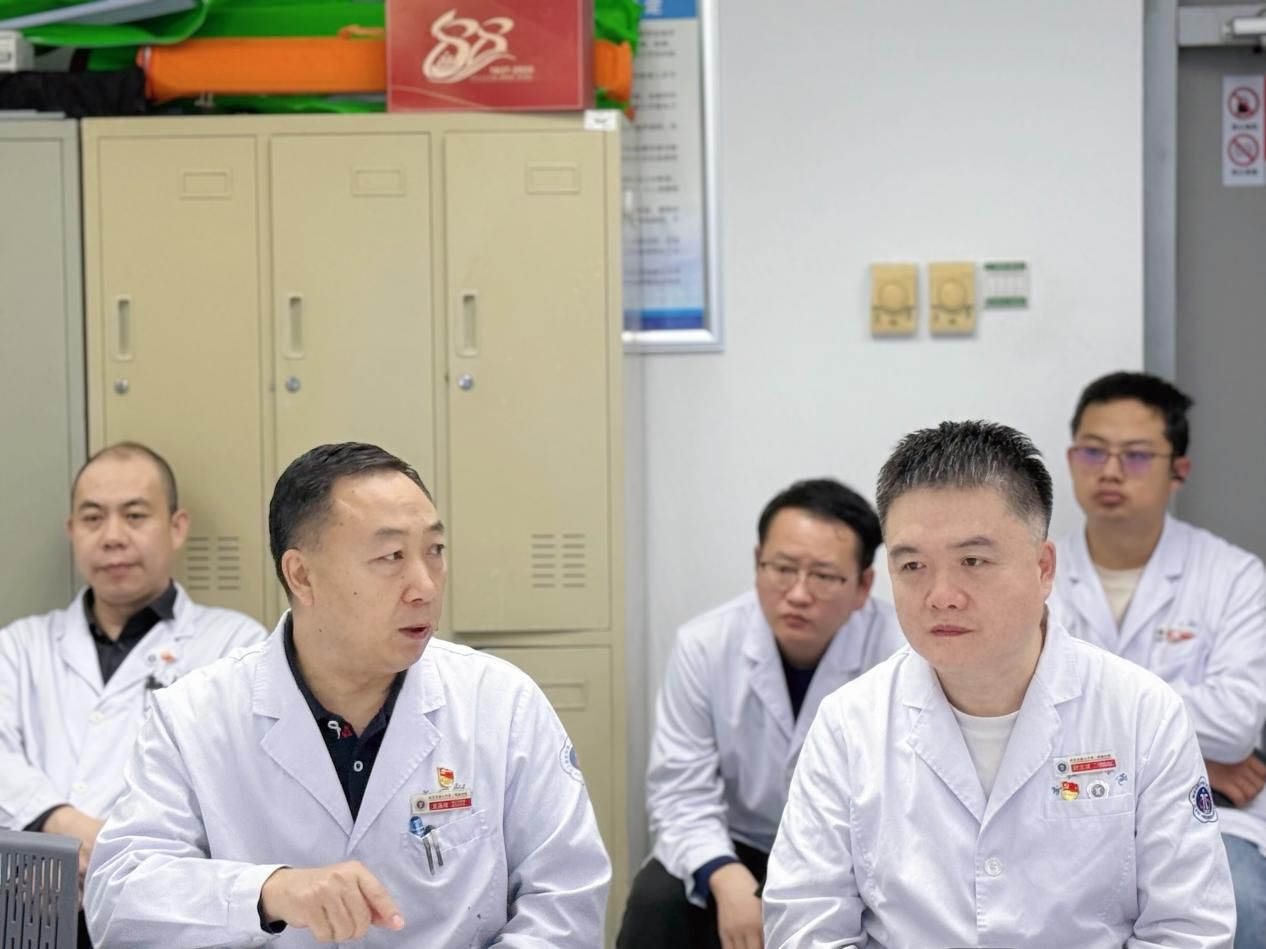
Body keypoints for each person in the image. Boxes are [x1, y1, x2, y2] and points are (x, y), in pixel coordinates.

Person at [85, 441, 610, 947]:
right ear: (302, 576)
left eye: (434, 551)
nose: (425, 586)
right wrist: (267, 892)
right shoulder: (194, 717)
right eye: (391, 556)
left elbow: (567, 899)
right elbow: (119, 901)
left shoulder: (501, 704)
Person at [764, 420, 1235, 948]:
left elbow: (1188, 927)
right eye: (913, 565)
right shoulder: (848, 724)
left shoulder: (1142, 713)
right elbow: (805, 925)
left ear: (1043, 567)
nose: (941, 595)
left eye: (973, 561)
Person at [0, 441, 266, 944]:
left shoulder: (236, 646)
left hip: (165, 919)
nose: (113, 537)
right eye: (93, 518)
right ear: (72, 531)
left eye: (135, 515)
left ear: (177, 526)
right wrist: (59, 823)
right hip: (29, 915)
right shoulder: (18, 647)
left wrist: (109, 851)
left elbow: (235, 796)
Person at [618, 479, 902, 949]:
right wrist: (725, 876)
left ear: (863, 586)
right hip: (743, 846)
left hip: (854, 851)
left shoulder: (901, 653)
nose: (798, 594)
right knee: (657, 898)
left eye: (824, 576)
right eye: (783, 569)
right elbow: (680, 791)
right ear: (757, 563)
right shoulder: (705, 646)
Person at [1051, 371, 1266, 947]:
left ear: (1179, 471)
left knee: (1244, 904)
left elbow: (1237, 722)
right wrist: (1193, 755)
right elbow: (1021, 711)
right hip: (1065, 806)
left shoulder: (1233, 576)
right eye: (1093, 451)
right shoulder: (1038, 576)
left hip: (1208, 813)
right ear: (1071, 459)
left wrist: (1090, 707)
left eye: (1137, 455)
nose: (1110, 471)